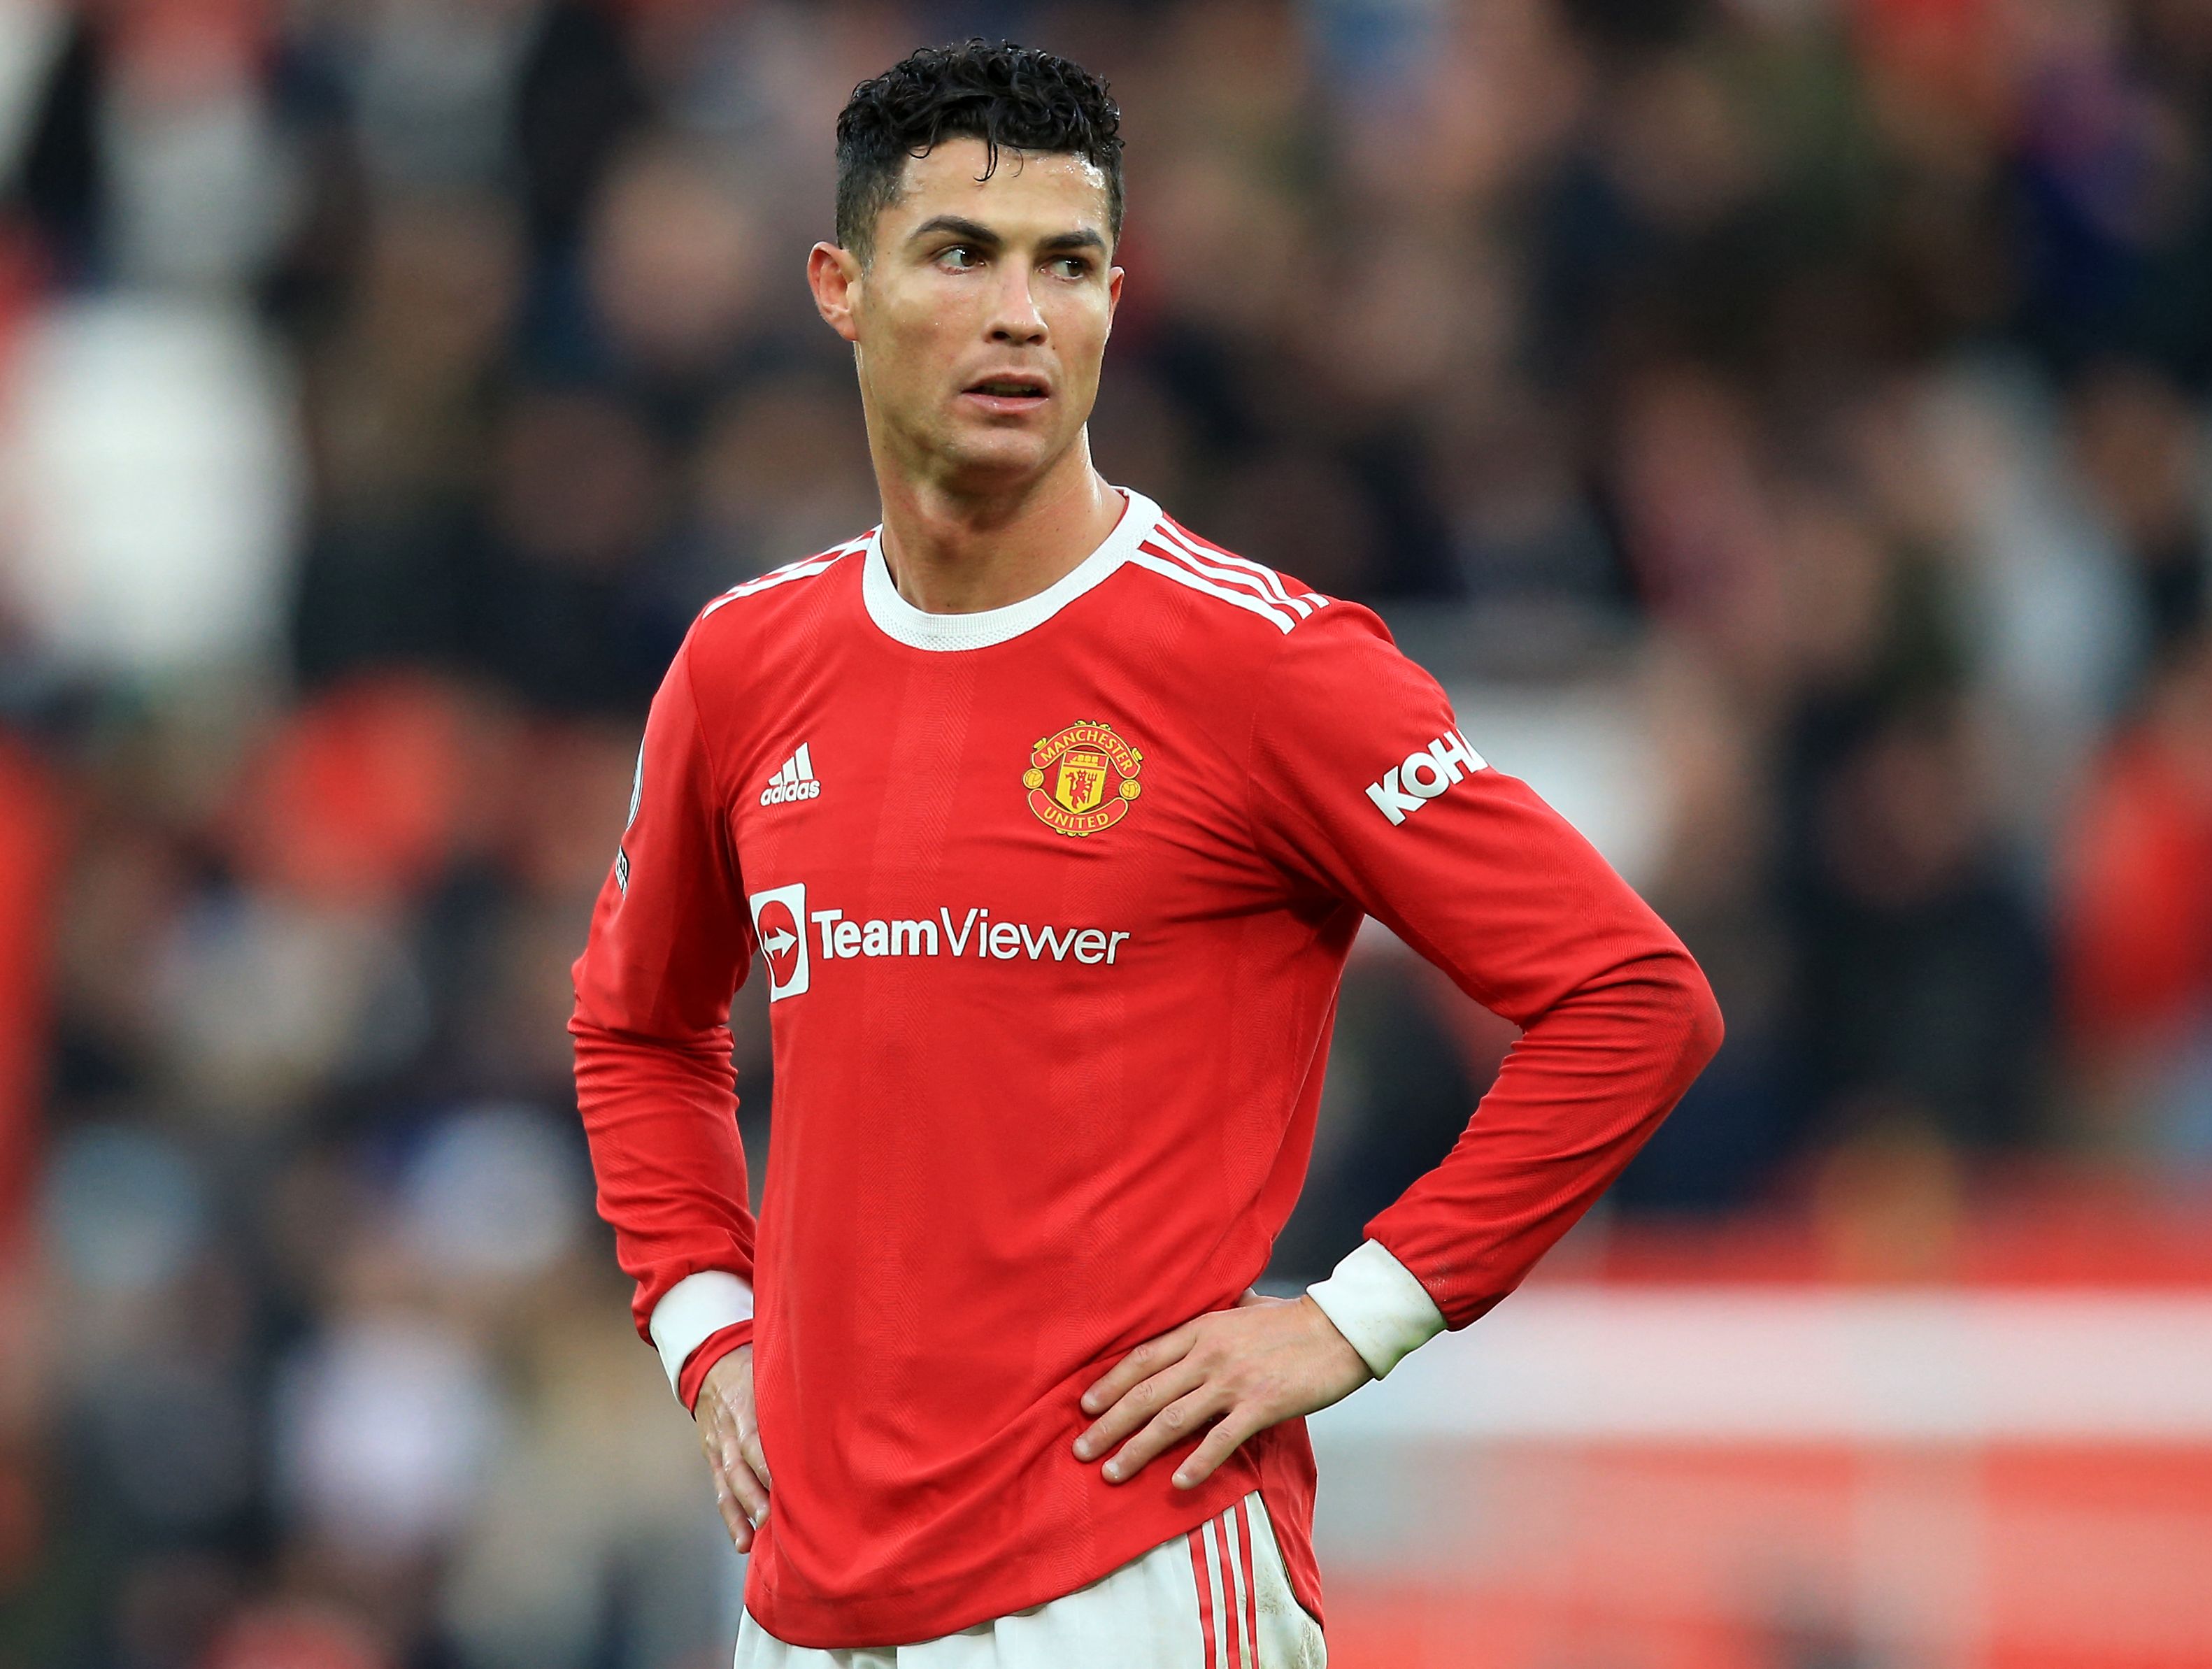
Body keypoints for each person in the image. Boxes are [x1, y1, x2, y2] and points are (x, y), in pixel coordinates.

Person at [569, 38, 1722, 1669]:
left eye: (1071, 265)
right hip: (808, 1599)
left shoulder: (1263, 663)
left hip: (1131, 1579)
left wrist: (1349, 1320)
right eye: (960, 255)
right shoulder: (746, 664)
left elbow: (1629, 999)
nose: (1021, 315)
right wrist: (705, 1326)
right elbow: (635, 1023)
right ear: (839, 285)